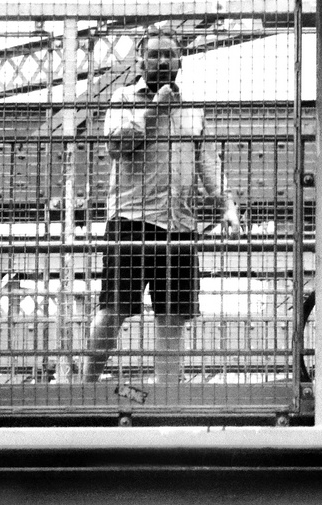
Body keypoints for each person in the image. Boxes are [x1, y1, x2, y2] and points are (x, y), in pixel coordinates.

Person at [82, 30, 241, 385]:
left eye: (169, 54)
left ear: (180, 61)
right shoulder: (123, 98)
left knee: (173, 316)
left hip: (180, 226)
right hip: (132, 220)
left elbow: (208, 161)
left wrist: (226, 203)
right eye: (154, 55)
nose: (163, 61)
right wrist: (155, 109)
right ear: (140, 63)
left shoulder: (194, 109)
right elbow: (118, 146)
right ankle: (85, 386)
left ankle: (168, 397)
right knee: (114, 309)